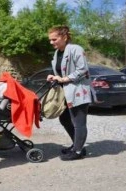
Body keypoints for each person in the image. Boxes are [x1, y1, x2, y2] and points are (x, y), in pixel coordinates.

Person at [46, 25, 92, 161]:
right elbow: (60, 71)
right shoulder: (57, 53)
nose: (51, 42)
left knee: (79, 122)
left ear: (64, 37)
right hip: (65, 92)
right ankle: (77, 146)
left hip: (78, 91)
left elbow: (83, 69)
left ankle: (77, 151)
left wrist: (65, 79)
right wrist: (53, 77)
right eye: (50, 40)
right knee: (64, 118)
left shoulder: (76, 49)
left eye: (54, 39)